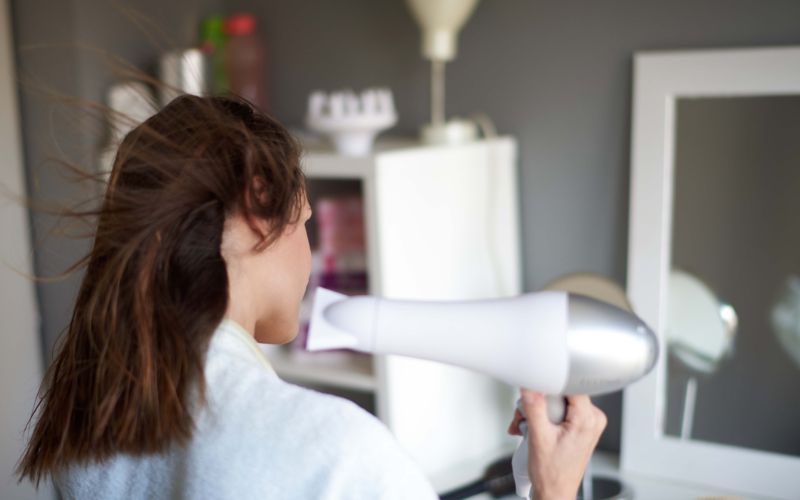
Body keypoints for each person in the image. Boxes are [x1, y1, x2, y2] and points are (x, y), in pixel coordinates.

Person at [17, 95, 606, 499]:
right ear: (256, 203)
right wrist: (555, 489)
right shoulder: (331, 450)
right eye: (305, 224)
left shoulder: (95, 421)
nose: (309, 257)